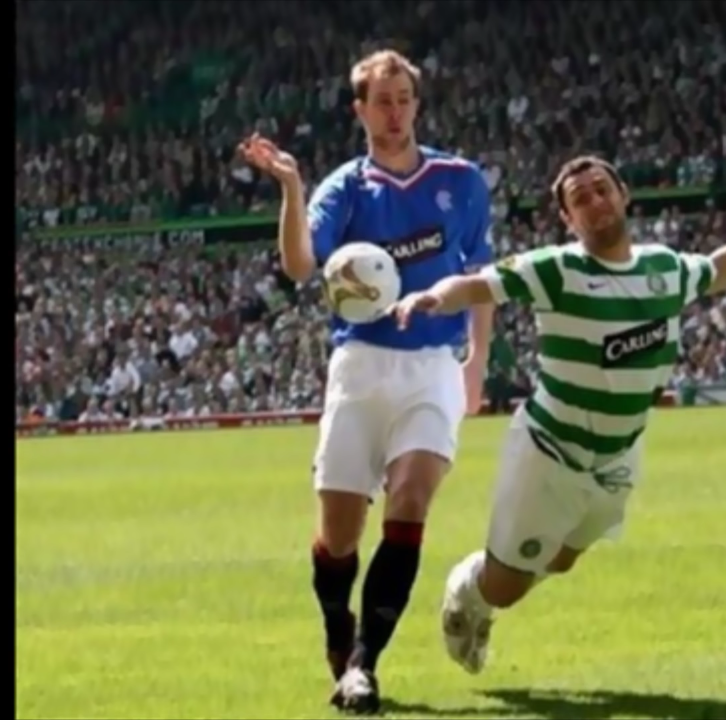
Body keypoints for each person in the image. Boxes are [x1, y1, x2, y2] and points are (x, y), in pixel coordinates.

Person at [390, 155, 726, 674]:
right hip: (550, 452)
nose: (595, 202)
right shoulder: (556, 269)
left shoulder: (663, 268)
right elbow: (477, 285)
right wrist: (432, 297)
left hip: (618, 454)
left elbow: (719, 269)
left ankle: (505, 567)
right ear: (569, 220)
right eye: (580, 199)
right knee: (506, 589)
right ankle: (469, 591)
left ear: (624, 195)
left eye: (601, 189)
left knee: (563, 559)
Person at [238, 49, 494, 713]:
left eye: (404, 98)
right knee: (339, 538)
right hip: (360, 365)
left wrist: (476, 366)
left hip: (433, 366)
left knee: (410, 498)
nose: (395, 112)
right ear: (360, 111)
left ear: (416, 104)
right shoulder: (345, 188)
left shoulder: (461, 180)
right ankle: (338, 629)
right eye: (382, 101)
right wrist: (291, 187)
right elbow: (301, 266)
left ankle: (364, 664)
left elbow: (482, 278)